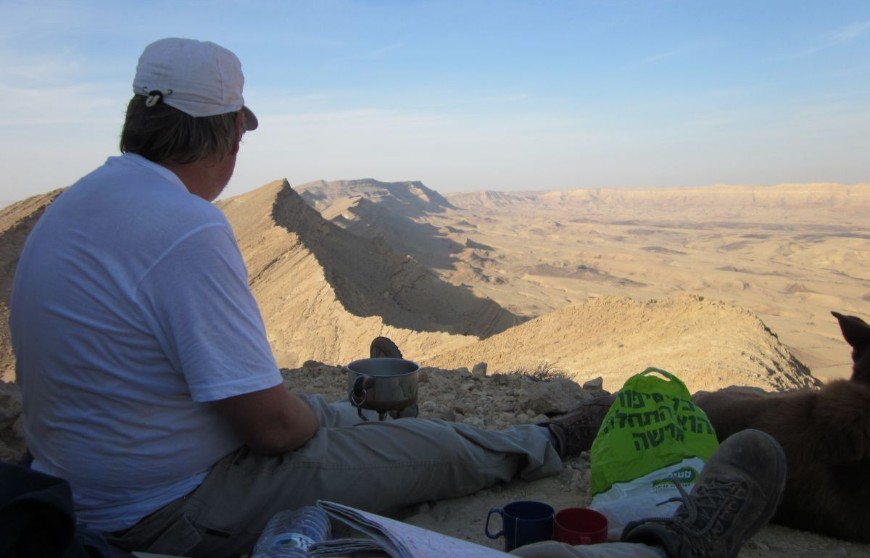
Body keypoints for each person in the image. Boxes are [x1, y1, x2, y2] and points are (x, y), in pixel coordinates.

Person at [9, 38, 786, 558]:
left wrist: (323, 416)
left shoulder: (76, 206)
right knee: (414, 451)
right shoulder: (184, 227)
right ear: (226, 136)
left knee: (351, 417)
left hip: (82, 488)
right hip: (173, 506)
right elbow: (272, 428)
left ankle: (427, 426)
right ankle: (550, 449)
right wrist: (318, 422)